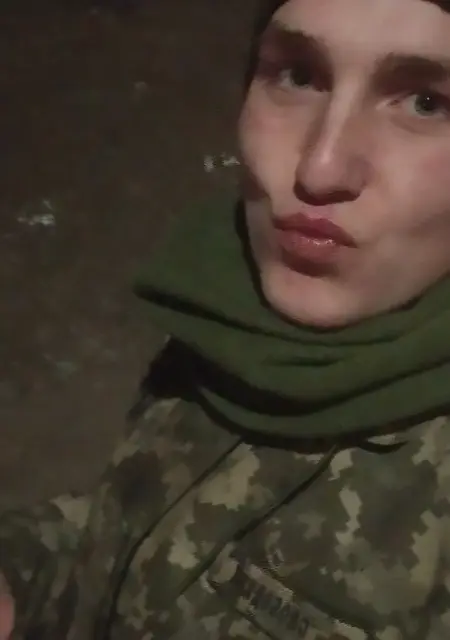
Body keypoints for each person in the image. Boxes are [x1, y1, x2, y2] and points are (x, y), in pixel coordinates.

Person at [3, 0, 450, 636]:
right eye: (298, 76)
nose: (319, 168)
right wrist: (20, 575)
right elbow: (141, 524)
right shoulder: (226, 310)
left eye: (428, 104)